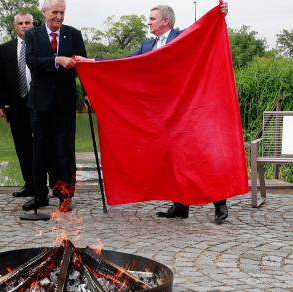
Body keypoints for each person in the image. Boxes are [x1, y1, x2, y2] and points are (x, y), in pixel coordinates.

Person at [78, 3, 229, 223]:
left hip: (185, 110)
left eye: (152, 18)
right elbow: (124, 63)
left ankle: (220, 204)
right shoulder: (146, 45)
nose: (148, 22)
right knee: (169, 157)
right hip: (158, 114)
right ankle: (180, 206)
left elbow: (204, 32)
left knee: (196, 156)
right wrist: (92, 63)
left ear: (165, 21)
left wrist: (219, 15)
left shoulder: (182, 37)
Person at [23, 0, 87, 212]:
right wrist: (56, 60)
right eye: (55, 12)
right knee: (40, 150)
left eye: (62, 12)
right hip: (39, 104)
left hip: (65, 103)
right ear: (44, 12)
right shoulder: (33, 34)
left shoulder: (74, 34)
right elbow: (31, 61)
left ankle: (64, 196)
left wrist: (88, 95)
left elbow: (84, 68)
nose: (59, 17)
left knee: (64, 150)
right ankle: (40, 195)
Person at [0, 12, 35, 199]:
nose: (24, 26)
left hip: (39, 103)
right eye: (20, 23)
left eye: (27, 23)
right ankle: (30, 185)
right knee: (22, 146)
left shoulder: (42, 46)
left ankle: (47, 185)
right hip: (15, 105)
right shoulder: (4, 49)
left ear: (33, 25)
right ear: (14, 26)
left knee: (42, 145)